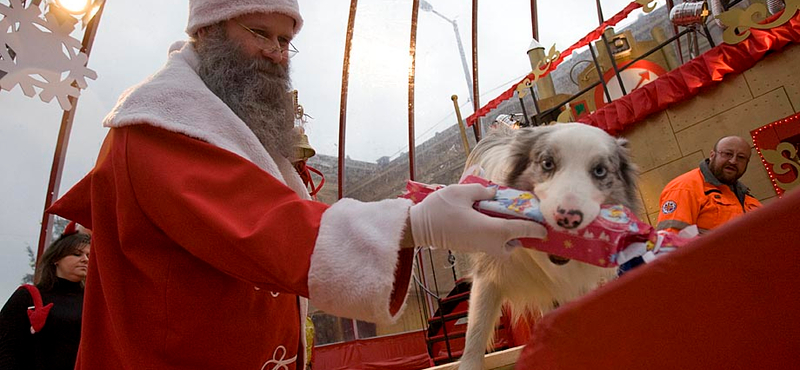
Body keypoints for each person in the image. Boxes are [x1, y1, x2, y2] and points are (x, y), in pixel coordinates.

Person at [45, 1, 547, 369]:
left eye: (286, 41)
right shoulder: (159, 129)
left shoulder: (219, 121)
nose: (276, 54)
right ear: (209, 31)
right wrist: (415, 223)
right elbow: (265, 227)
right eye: (260, 33)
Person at [0, 227, 91, 370]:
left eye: (89, 256)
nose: (85, 260)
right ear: (56, 258)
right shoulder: (27, 296)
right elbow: (5, 346)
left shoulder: (93, 303)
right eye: (77, 254)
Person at [656, 135, 762, 234]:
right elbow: (671, 240)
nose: (733, 161)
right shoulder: (685, 188)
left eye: (741, 157)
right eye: (727, 154)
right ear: (712, 155)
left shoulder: (748, 199)